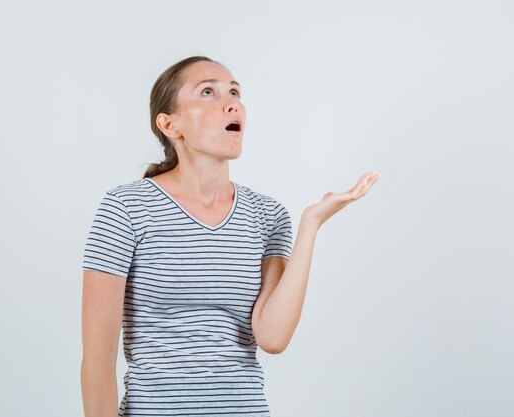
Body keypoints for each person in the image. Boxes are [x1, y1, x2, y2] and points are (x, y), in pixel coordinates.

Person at [80, 55, 380, 417]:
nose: (232, 102)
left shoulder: (268, 216)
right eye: (208, 91)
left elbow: (272, 337)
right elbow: (98, 359)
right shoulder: (126, 208)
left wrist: (309, 226)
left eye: (235, 92)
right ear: (169, 124)